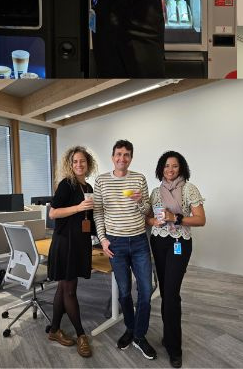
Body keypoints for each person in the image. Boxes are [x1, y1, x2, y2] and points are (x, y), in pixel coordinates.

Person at [93, 139, 157, 360]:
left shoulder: (139, 178)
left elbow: (147, 211)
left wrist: (141, 202)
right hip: (116, 243)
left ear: (131, 157)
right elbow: (98, 213)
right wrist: (103, 239)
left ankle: (139, 335)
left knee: (146, 292)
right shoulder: (101, 181)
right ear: (112, 157)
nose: (122, 158)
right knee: (124, 291)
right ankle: (131, 328)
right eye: (118, 154)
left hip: (139, 242)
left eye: (127, 155)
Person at [146, 151, 206, 369]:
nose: (170, 170)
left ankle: (175, 348)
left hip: (179, 243)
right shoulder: (155, 192)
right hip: (159, 242)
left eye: (174, 166)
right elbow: (148, 217)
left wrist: (175, 218)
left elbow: (201, 219)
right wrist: (155, 221)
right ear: (161, 169)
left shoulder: (189, 189)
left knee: (171, 294)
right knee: (165, 292)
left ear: (181, 169)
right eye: (166, 166)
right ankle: (167, 336)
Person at [46, 146, 98, 358]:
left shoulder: (89, 187)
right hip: (65, 243)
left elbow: (89, 219)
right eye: (75, 161)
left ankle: (55, 329)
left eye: (82, 161)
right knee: (69, 290)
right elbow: (53, 213)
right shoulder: (67, 184)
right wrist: (77, 207)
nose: (79, 165)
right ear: (70, 164)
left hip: (80, 243)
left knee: (62, 288)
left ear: (88, 164)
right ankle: (81, 335)